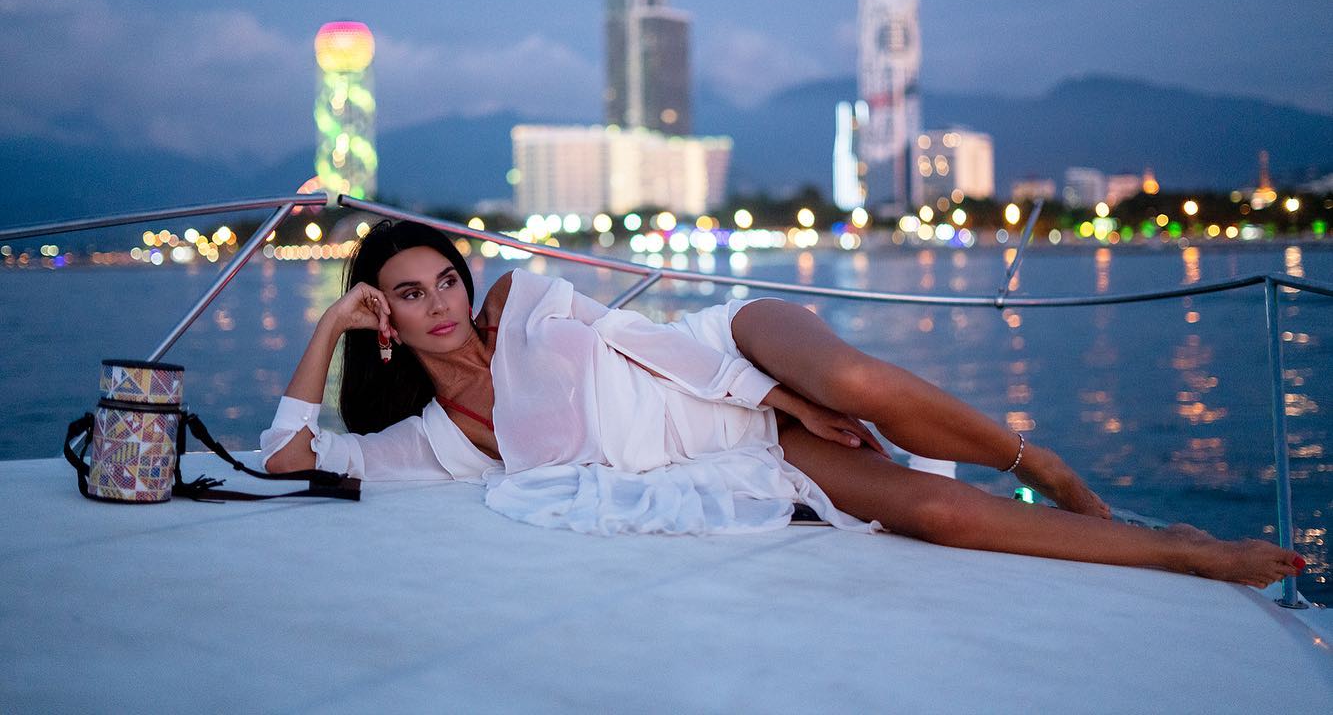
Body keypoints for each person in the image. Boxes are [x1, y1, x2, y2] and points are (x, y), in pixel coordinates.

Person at [263, 220, 1305, 589]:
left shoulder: (516, 302)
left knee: (852, 386)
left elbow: (649, 341)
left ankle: (1046, 465)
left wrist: (776, 395)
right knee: (933, 514)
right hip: (738, 452)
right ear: (382, 316)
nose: (442, 303)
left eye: (443, 279)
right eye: (409, 295)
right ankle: (1183, 551)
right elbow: (288, 459)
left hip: (731, 351)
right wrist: (328, 326)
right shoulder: (439, 440)